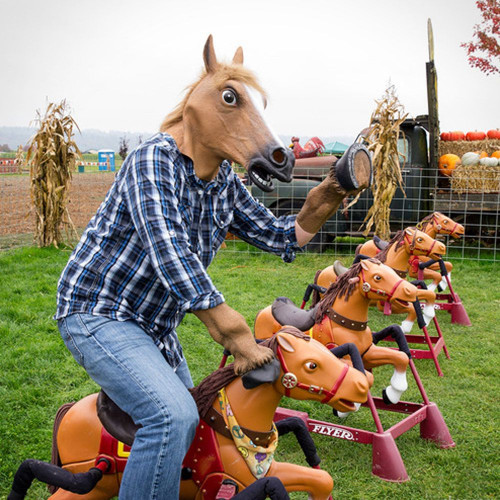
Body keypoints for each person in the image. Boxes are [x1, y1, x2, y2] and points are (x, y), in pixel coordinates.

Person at [55, 38, 372, 500]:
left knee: (200, 420)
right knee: (171, 416)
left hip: (154, 327)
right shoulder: (152, 161)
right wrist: (237, 336)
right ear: (199, 100)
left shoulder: (224, 182)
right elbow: (172, 256)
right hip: (97, 313)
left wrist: (325, 196)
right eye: (230, 99)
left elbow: (281, 236)